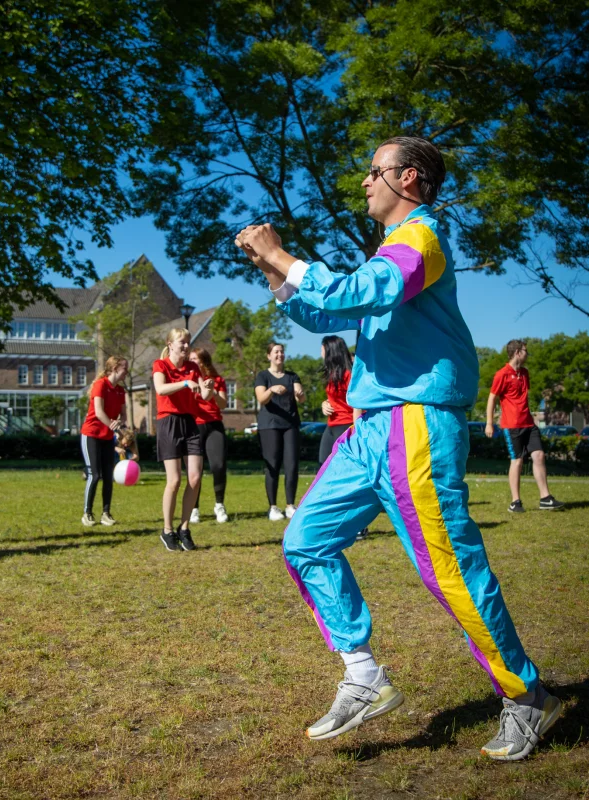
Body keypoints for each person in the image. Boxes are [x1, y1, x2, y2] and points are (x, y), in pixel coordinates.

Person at [235, 135, 560, 761]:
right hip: (371, 428)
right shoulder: (390, 250)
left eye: (373, 172)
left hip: (416, 425)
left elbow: (365, 291)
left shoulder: (422, 238)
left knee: (452, 572)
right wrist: (277, 271)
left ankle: (528, 696)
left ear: (408, 179)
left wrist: (284, 252)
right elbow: (329, 311)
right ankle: (363, 675)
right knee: (305, 540)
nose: (364, 183)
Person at [486, 340, 565, 513]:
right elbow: (492, 398)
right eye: (525, 351)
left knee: (539, 455)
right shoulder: (502, 374)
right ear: (517, 353)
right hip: (511, 425)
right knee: (518, 461)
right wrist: (489, 423)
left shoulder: (524, 373)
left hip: (529, 423)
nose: (527, 354)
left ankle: (545, 498)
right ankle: (515, 502)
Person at [153, 327, 213, 551]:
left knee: (195, 478)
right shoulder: (161, 365)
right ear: (170, 344)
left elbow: (204, 396)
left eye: (188, 342)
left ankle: (184, 528)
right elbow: (160, 389)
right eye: (182, 342)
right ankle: (167, 530)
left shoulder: (193, 367)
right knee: (175, 480)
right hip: (168, 422)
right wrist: (186, 383)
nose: (186, 346)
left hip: (190, 422)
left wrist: (208, 387)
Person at [319, 336, 368, 540]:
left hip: (347, 426)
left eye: (322, 348)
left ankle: (359, 524)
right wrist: (323, 404)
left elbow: (358, 402)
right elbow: (332, 398)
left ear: (330, 349)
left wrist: (356, 430)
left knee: (346, 475)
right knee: (323, 468)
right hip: (331, 426)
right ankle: (332, 519)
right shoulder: (332, 373)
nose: (320, 352)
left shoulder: (350, 373)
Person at [254, 342, 305, 521]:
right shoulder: (263, 376)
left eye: (282, 351)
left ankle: (291, 505)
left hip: (290, 425)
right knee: (273, 466)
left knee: (291, 465)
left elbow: (301, 397)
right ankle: (273, 507)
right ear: (269, 356)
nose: (279, 355)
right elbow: (261, 398)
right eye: (276, 352)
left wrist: (299, 394)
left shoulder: (292, 376)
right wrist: (271, 390)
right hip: (270, 425)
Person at [80, 356, 128, 527]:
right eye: (124, 369)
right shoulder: (100, 385)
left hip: (107, 437)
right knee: (95, 474)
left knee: (108, 476)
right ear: (115, 368)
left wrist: (120, 423)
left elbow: (124, 415)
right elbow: (99, 413)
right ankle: (87, 513)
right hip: (91, 434)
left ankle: (106, 513)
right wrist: (115, 428)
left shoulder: (121, 391)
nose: (127, 372)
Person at [188, 347, 229, 524]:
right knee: (194, 471)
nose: (192, 361)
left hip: (214, 425)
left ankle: (219, 505)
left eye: (195, 359)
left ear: (203, 361)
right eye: (190, 359)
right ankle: (194, 508)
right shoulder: (188, 380)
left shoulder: (217, 380)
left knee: (218, 465)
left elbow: (223, 404)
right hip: (194, 425)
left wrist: (211, 391)